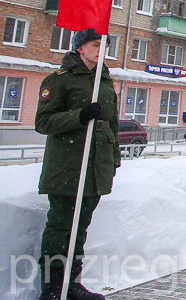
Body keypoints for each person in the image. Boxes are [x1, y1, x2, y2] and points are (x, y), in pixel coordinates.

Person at [35, 28, 120, 300]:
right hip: (68, 168)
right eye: (95, 44)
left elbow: (112, 126)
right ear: (80, 48)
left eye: (104, 45)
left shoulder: (104, 82)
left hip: (95, 170)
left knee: (79, 230)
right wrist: (79, 116)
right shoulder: (60, 80)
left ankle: (71, 285)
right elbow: (43, 122)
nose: (100, 49)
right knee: (61, 229)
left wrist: (114, 159)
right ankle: (51, 289)